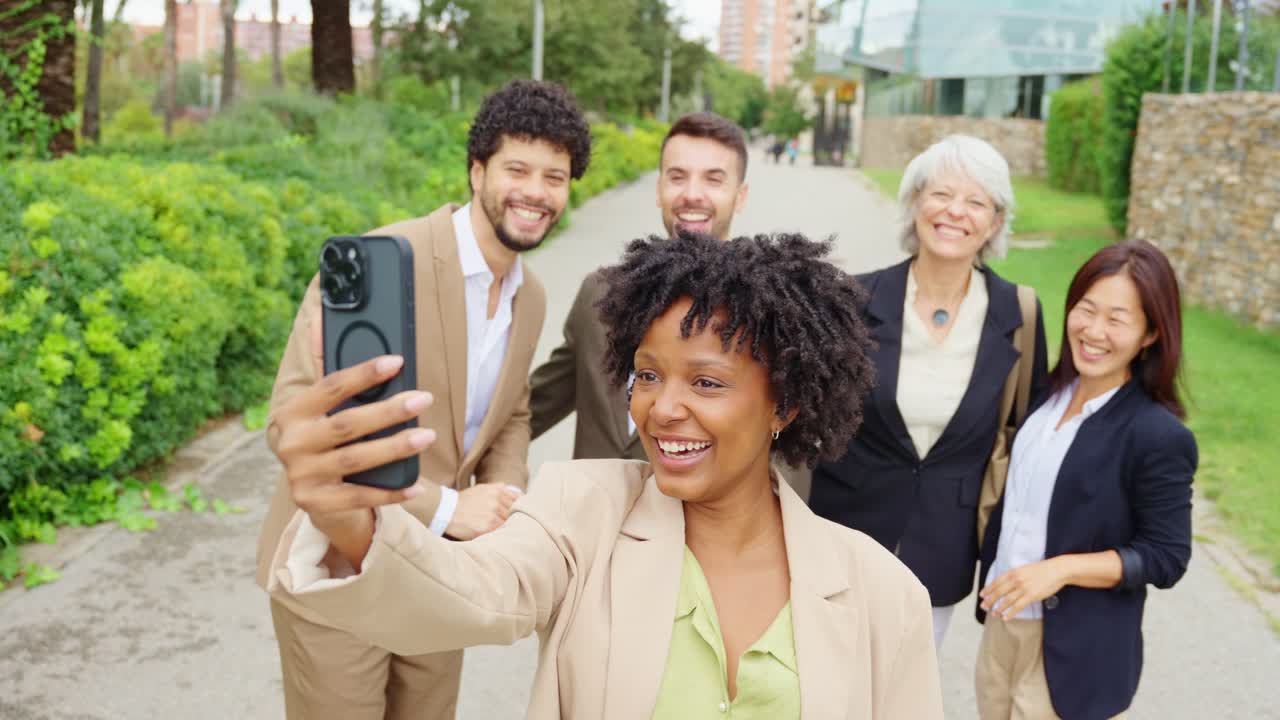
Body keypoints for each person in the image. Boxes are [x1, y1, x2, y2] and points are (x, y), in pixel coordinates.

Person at [264, 233, 944, 719]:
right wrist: (347, 516)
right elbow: (468, 592)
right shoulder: (578, 511)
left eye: (707, 382)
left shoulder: (884, 596)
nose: (661, 408)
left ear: (785, 405)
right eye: (646, 375)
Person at [254, 79, 592, 720]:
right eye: (517, 168)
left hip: (440, 572)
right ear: (476, 171)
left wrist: (505, 501)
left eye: (556, 177)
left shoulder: (532, 294)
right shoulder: (382, 260)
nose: (536, 193)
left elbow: (513, 412)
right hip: (340, 564)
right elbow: (292, 420)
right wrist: (446, 506)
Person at [807, 135, 1049, 649]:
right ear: (915, 201)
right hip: (841, 536)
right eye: (940, 194)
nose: (955, 212)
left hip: (942, 546)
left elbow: (1026, 435)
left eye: (976, 201)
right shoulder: (851, 299)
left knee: (906, 691)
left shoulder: (1019, 314)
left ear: (996, 222)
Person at [974, 241, 1197, 720]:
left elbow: (1167, 556)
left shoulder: (1157, 435)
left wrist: (1062, 569)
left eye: (1117, 319)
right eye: (1086, 310)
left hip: (1075, 654)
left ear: (1150, 334)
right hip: (1002, 629)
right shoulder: (1045, 398)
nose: (1094, 331)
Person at [529, 112, 749, 460]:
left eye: (713, 180)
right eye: (677, 177)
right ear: (659, 189)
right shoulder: (600, 294)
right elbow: (534, 406)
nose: (692, 194)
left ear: (740, 196)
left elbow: (786, 468)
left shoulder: (763, 314)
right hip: (592, 512)